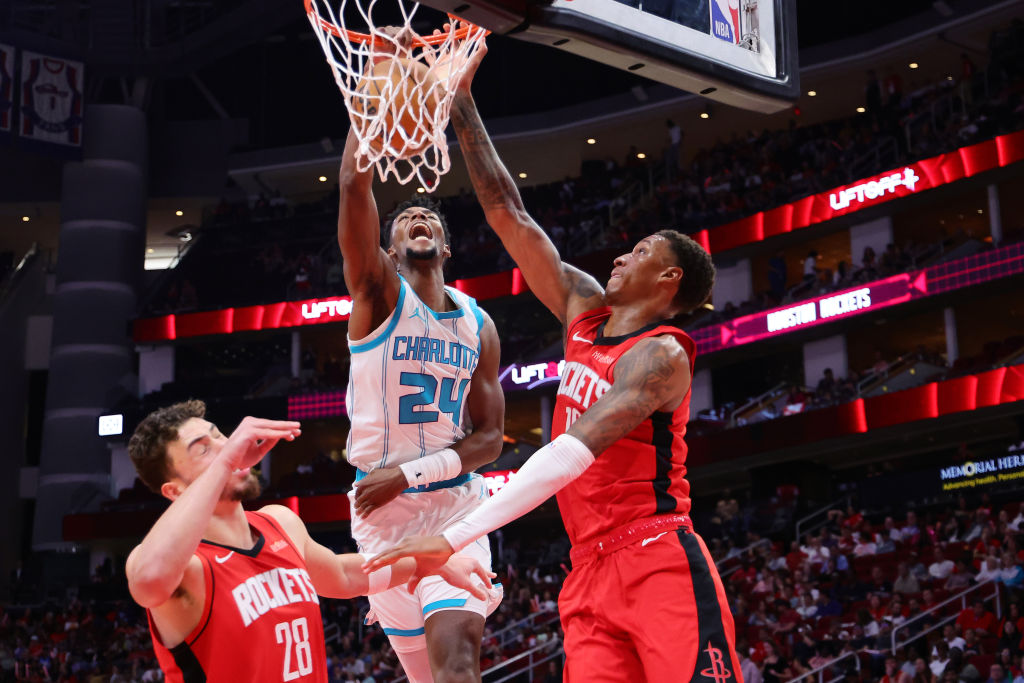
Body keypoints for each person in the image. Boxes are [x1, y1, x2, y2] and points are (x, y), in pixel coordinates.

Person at [365, 40, 737, 682]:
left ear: (669, 278)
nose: (622, 254)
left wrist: (453, 535)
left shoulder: (662, 355)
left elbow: (573, 449)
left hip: (657, 554)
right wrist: (460, 102)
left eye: (641, 249)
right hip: (585, 569)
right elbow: (508, 213)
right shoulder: (584, 310)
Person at [334, 55, 507, 680]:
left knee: (458, 660)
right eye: (406, 219)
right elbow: (355, 189)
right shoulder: (378, 296)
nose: (419, 219)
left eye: (430, 218)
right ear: (388, 250)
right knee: (421, 673)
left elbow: (489, 439)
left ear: (447, 246)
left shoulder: (478, 323)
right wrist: (372, 100)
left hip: (455, 505)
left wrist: (412, 472)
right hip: (381, 518)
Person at [124, 401, 492, 683]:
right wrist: (225, 463)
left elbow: (343, 575)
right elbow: (147, 580)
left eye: (220, 435)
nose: (226, 448)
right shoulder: (186, 568)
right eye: (203, 449)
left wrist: (430, 563)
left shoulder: (278, 522)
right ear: (175, 490)